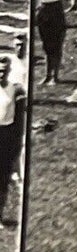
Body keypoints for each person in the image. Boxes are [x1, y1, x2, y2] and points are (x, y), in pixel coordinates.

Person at [33, 0, 68, 86]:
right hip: (42, 9)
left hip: (55, 8)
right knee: (46, 44)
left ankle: (55, 75)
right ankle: (48, 75)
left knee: (56, 43)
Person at [0, 52, 25, 227]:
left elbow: (19, 122)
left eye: (4, 70)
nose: (1, 74)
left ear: (9, 71)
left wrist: (16, 144)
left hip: (6, 135)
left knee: (2, 179)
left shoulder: (15, 90)